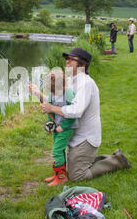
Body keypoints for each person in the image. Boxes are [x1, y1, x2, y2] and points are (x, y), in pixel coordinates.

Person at [40, 48, 131, 181]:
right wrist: (40, 96)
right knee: (74, 166)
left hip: (85, 138)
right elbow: (57, 101)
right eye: (66, 59)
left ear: (82, 64)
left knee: (76, 175)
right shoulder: (71, 81)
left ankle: (116, 162)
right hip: (75, 135)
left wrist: (52, 108)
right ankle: (107, 157)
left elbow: (76, 110)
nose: (67, 62)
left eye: (71, 59)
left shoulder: (86, 83)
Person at [29, 69, 78, 186]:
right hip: (57, 126)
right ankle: (59, 174)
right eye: (52, 91)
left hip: (67, 127)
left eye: (56, 91)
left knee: (56, 150)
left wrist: (63, 126)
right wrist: (46, 109)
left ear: (63, 86)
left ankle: (61, 177)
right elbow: (49, 107)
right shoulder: (52, 93)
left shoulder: (69, 94)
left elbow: (73, 114)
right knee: (59, 150)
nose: (54, 94)